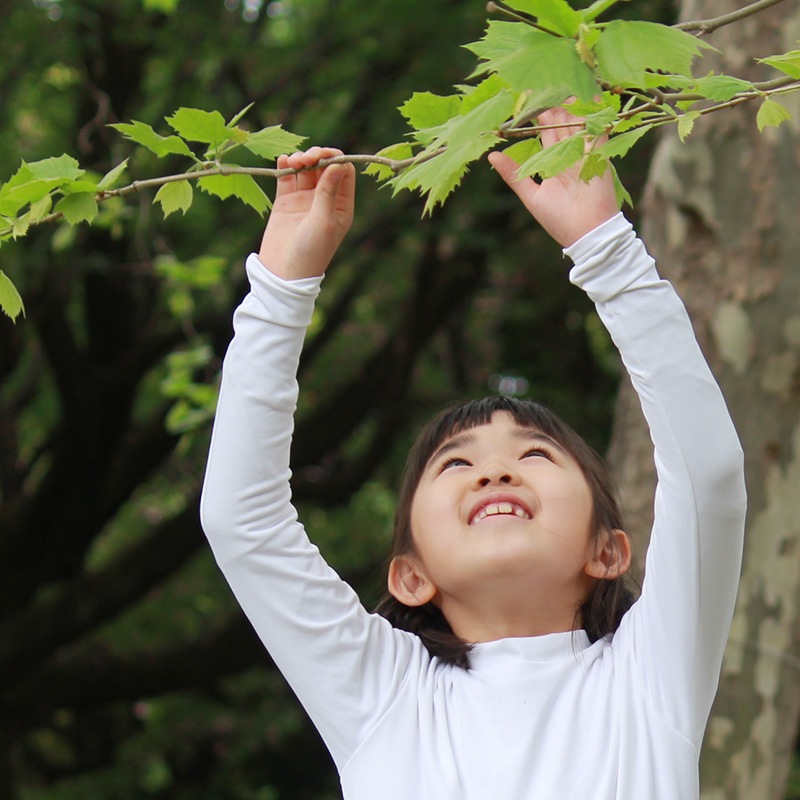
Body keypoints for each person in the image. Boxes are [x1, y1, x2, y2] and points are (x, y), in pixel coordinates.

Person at [200, 108, 747, 799]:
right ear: (409, 577)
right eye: (455, 464)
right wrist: (280, 289)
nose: (494, 469)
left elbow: (710, 478)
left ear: (607, 552)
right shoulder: (383, 694)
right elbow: (240, 522)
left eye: (537, 457)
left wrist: (608, 249)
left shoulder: (650, 673)